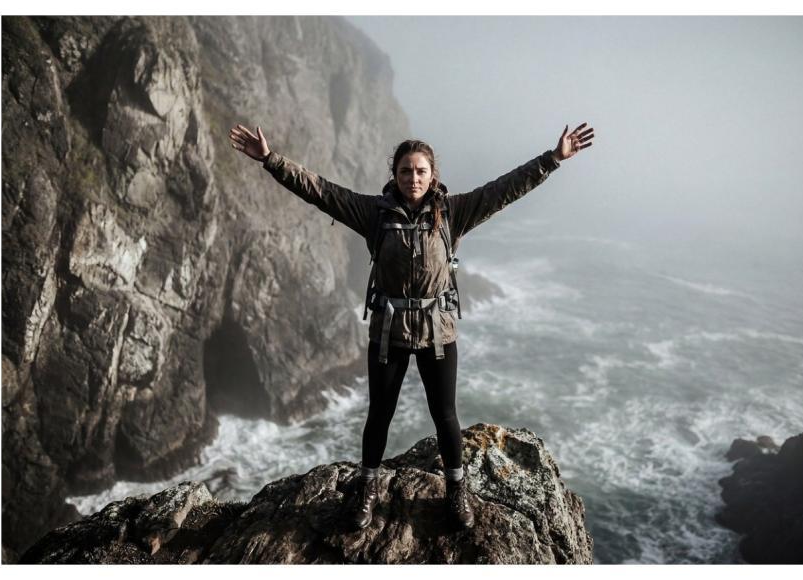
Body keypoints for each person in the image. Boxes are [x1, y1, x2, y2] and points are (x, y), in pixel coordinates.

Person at [228, 122, 594, 530]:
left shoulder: (454, 212)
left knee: (446, 416)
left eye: (420, 171)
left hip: (438, 333)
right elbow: (321, 191)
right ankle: (366, 492)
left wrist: (553, 159)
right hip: (389, 333)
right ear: (395, 175)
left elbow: (506, 188)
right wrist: (270, 160)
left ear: (432, 175)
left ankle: (457, 492)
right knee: (379, 415)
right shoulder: (374, 215)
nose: (413, 178)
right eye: (406, 171)